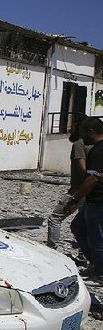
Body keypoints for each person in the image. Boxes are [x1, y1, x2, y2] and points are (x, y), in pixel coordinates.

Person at [66, 118, 103, 282]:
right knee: (78, 227)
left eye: (83, 133)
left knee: (97, 240)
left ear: (91, 132)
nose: (82, 138)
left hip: (97, 201)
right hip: (93, 200)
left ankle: (100, 272)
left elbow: (92, 179)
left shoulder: (97, 151)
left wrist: (74, 199)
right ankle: (96, 265)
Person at [48, 114, 91, 249]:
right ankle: (85, 256)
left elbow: (83, 170)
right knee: (84, 224)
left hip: (79, 190)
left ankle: (52, 251)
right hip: (92, 191)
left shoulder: (79, 144)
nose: (70, 129)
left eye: (72, 126)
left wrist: (76, 196)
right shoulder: (95, 145)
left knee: (55, 219)